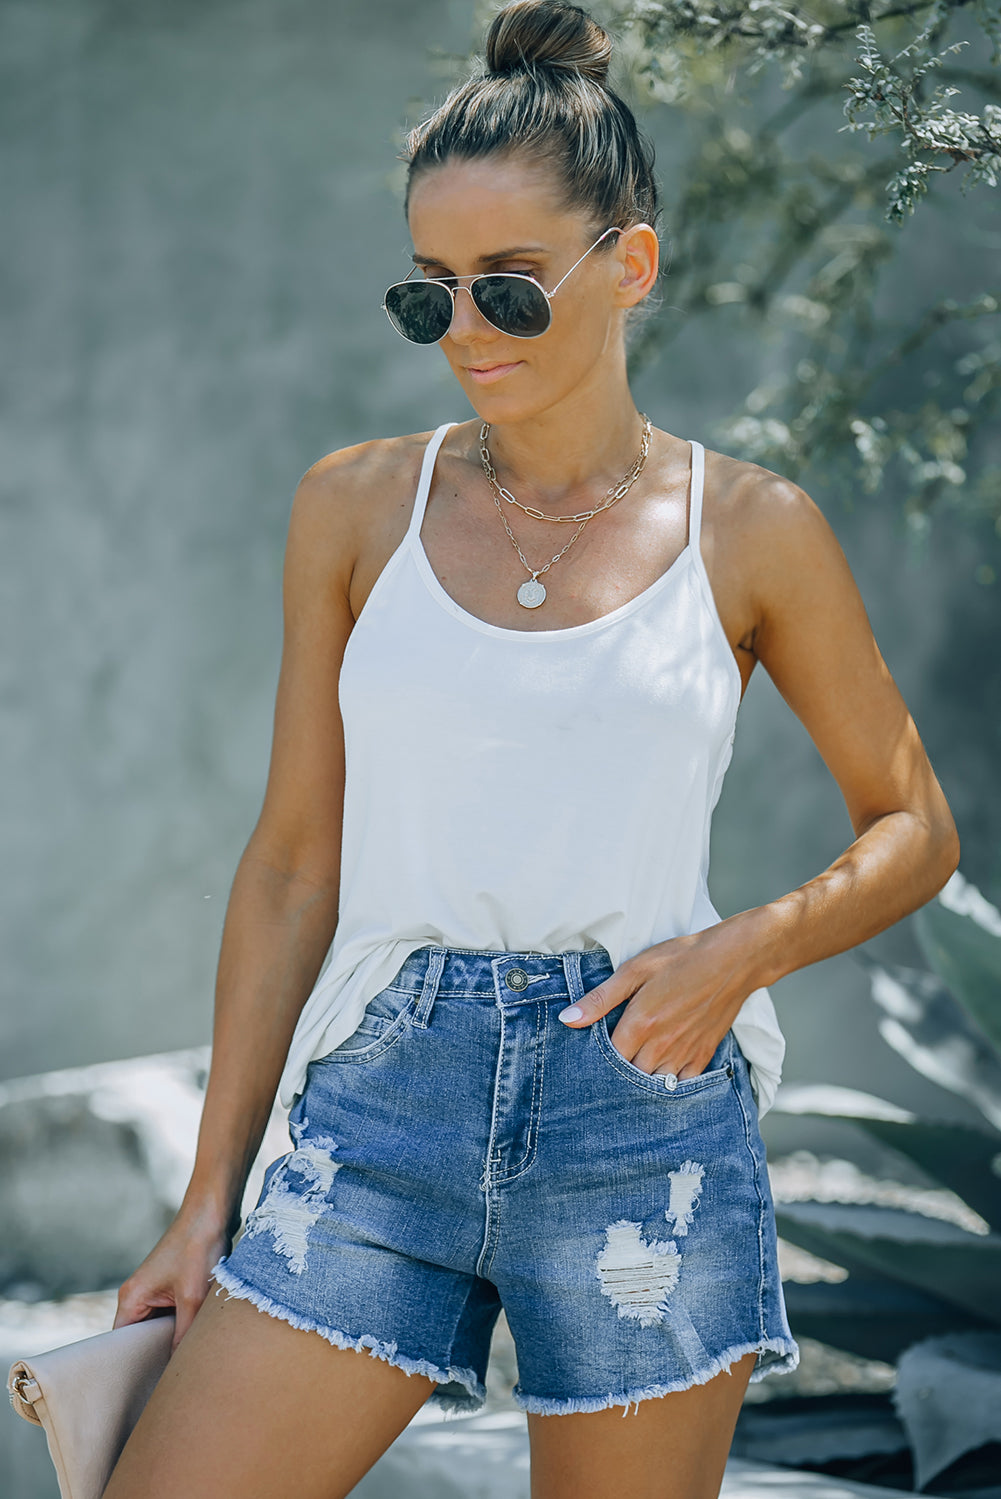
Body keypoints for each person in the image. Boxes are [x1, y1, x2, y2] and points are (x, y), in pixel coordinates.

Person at [104, 4, 960, 1497]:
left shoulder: (750, 530)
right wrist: (205, 1204)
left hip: (643, 1108)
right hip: (381, 1108)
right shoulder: (352, 507)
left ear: (625, 264)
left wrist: (736, 954)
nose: (466, 337)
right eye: (427, 296)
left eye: (508, 291)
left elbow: (910, 826)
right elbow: (294, 864)